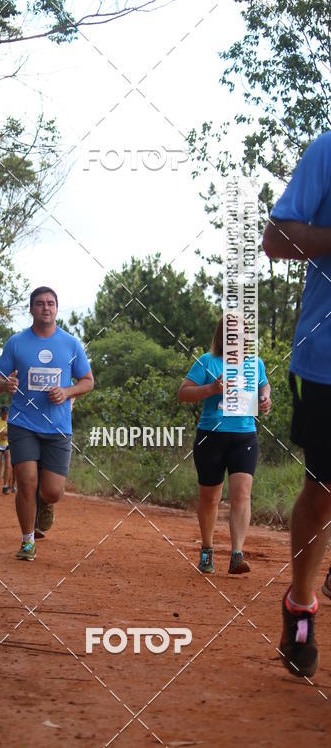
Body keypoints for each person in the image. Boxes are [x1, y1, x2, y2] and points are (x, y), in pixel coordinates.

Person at [262, 131, 331, 678]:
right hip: (326, 360)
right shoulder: (327, 149)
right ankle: (301, 607)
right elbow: (277, 237)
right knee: (323, 488)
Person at [0, 286, 94, 561]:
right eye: (39, 303)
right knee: (26, 481)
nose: (45, 308)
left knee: (52, 490)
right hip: (23, 422)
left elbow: (88, 381)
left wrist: (67, 392)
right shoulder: (16, 343)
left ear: (56, 308)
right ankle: (27, 540)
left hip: (58, 427)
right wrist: (5, 383)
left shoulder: (71, 344)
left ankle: (45, 503)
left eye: (50, 303)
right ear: (31, 309)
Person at [178, 315, 271, 575]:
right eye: (231, 334)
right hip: (211, 436)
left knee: (242, 494)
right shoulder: (207, 362)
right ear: (222, 336)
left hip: (244, 436)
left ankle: (236, 555)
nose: (237, 338)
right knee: (210, 498)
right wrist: (211, 389)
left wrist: (265, 399)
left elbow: (265, 387)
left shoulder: (256, 364)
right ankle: (207, 550)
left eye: (241, 334)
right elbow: (183, 393)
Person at [0, 405, 12, 494]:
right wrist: (1, 433)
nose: (5, 415)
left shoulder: (12, 421)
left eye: (7, 414)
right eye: (4, 413)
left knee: (8, 465)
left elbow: (15, 433)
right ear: (1, 413)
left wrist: (6, 434)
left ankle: (5, 486)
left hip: (8, 444)